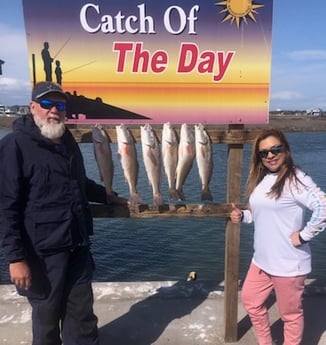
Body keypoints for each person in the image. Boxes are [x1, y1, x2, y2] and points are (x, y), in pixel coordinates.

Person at [0, 81, 126, 345]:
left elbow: (79, 183)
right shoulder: (15, 146)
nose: (53, 110)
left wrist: (107, 196)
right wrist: (15, 258)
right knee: (46, 321)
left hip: (77, 246)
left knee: (82, 318)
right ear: (33, 107)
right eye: (46, 104)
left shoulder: (67, 142)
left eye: (59, 104)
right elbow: (5, 206)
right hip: (41, 253)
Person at [230, 128, 326, 345]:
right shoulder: (264, 180)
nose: (270, 155)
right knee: (251, 301)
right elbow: (262, 212)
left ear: (286, 150)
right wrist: (243, 215)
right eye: (264, 153)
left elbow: (323, 207)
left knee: (290, 315)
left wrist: (303, 236)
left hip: (289, 265)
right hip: (262, 261)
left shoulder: (296, 179)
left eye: (275, 149)